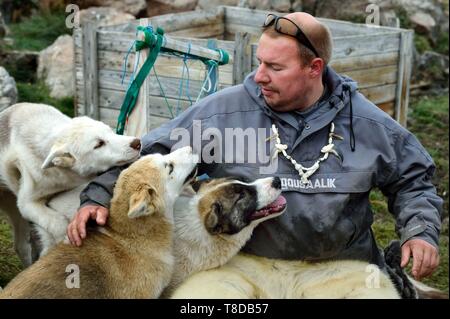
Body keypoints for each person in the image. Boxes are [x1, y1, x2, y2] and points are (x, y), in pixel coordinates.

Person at [67, 12, 442, 281]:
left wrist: (420, 231)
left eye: (275, 68)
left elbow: (413, 180)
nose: (259, 75)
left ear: (314, 68)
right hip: (244, 267)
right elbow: (148, 153)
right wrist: (98, 196)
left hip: (341, 269)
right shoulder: (223, 112)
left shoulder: (370, 125)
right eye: (260, 62)